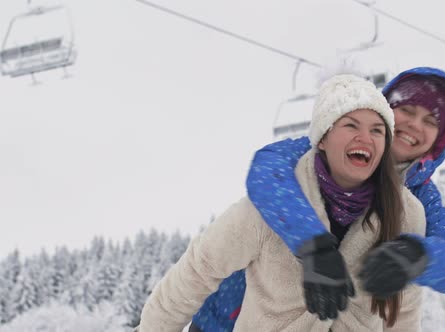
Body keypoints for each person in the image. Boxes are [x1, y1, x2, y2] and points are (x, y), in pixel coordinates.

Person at [190, 67, 445, 331]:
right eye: (408, 110)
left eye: (430, 121)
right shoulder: (321, 152)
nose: (415, 125)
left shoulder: (421, 197)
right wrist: (313, 245)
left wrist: (419, 256)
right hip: (227, 316)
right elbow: (268, 170)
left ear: (440, 138)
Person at [137, 74, 427, 331]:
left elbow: (403, 312)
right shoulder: (274, 204)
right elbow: (199, 269)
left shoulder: (405, 213)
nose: (365, 137)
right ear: (323, 139)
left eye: (377, 130)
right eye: (351, 125)